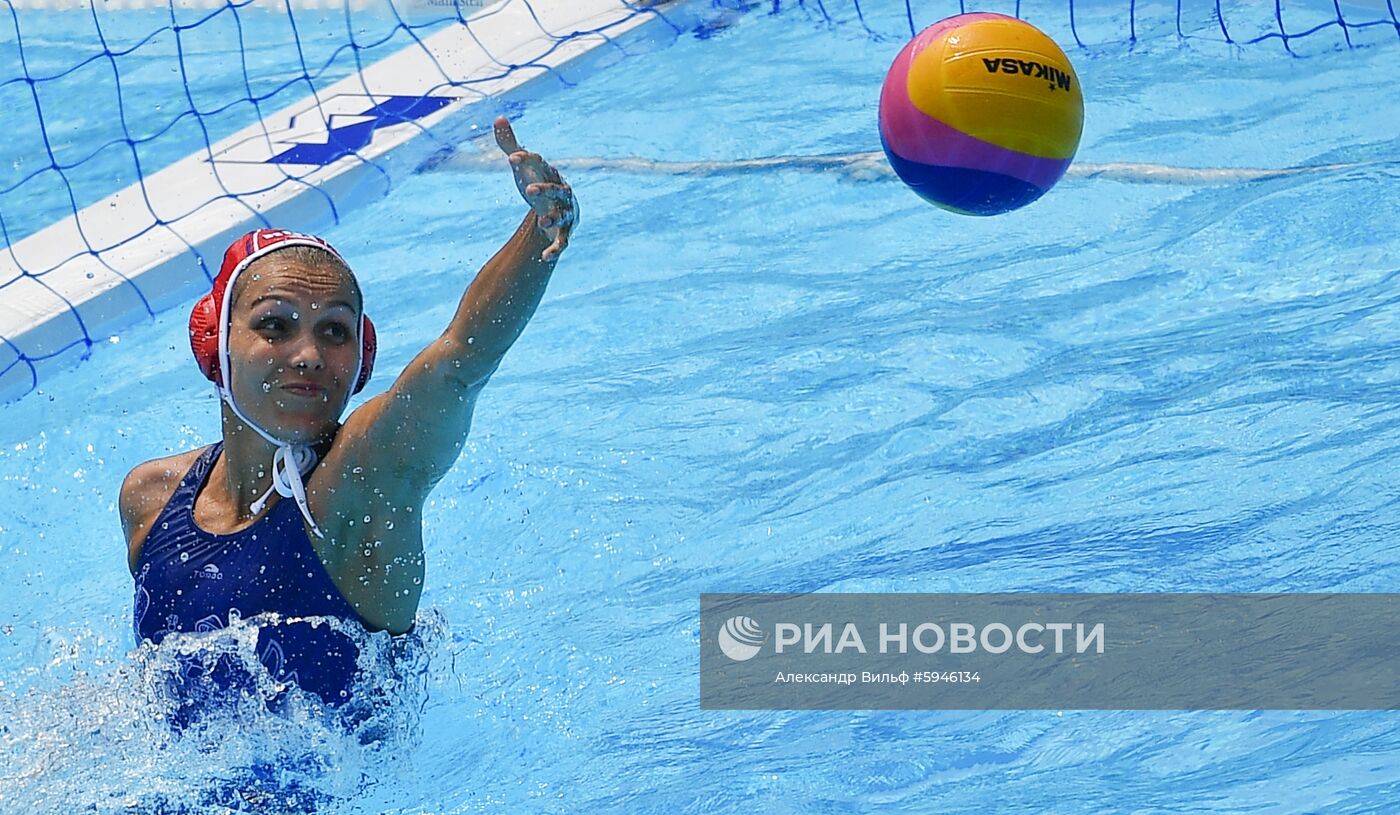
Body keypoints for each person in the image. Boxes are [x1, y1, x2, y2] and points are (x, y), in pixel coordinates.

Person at [117, 117, 575, 717]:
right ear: (214, 343)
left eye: (334, 330)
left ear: (361, 358)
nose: (308, 355)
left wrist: (541, 233)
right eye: (275, 325)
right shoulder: (152, 499)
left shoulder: (360, 487)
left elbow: (459, 362)